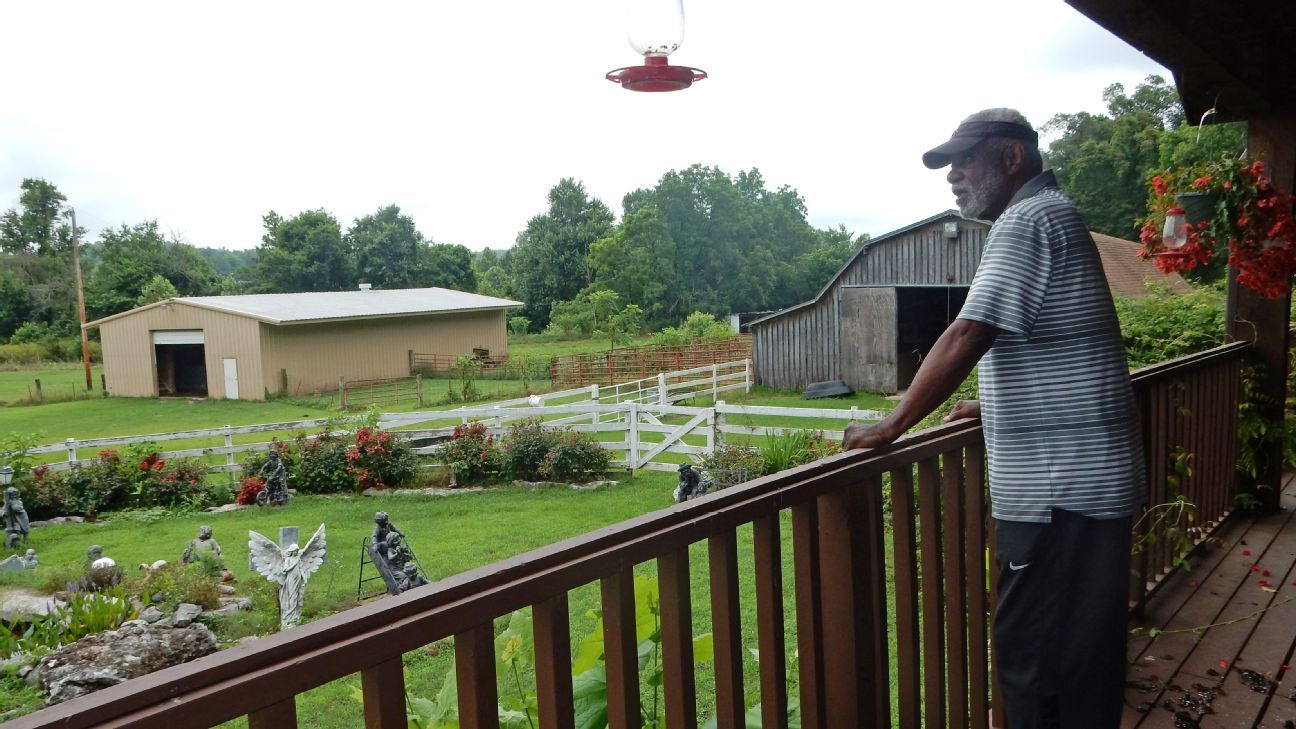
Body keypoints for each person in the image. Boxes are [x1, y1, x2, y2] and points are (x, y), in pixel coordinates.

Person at [843, 108, 1144, 729]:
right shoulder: (1054, 214)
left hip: (1059, 494)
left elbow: (970, 330)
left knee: (1035, 657)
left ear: (1011, 157)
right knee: (1081, 653)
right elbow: (1053, 340)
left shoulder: (1029, 220)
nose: (952, 176)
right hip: (1083, 484)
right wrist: (996, 402)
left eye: (965, 159)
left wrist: (889, 425)